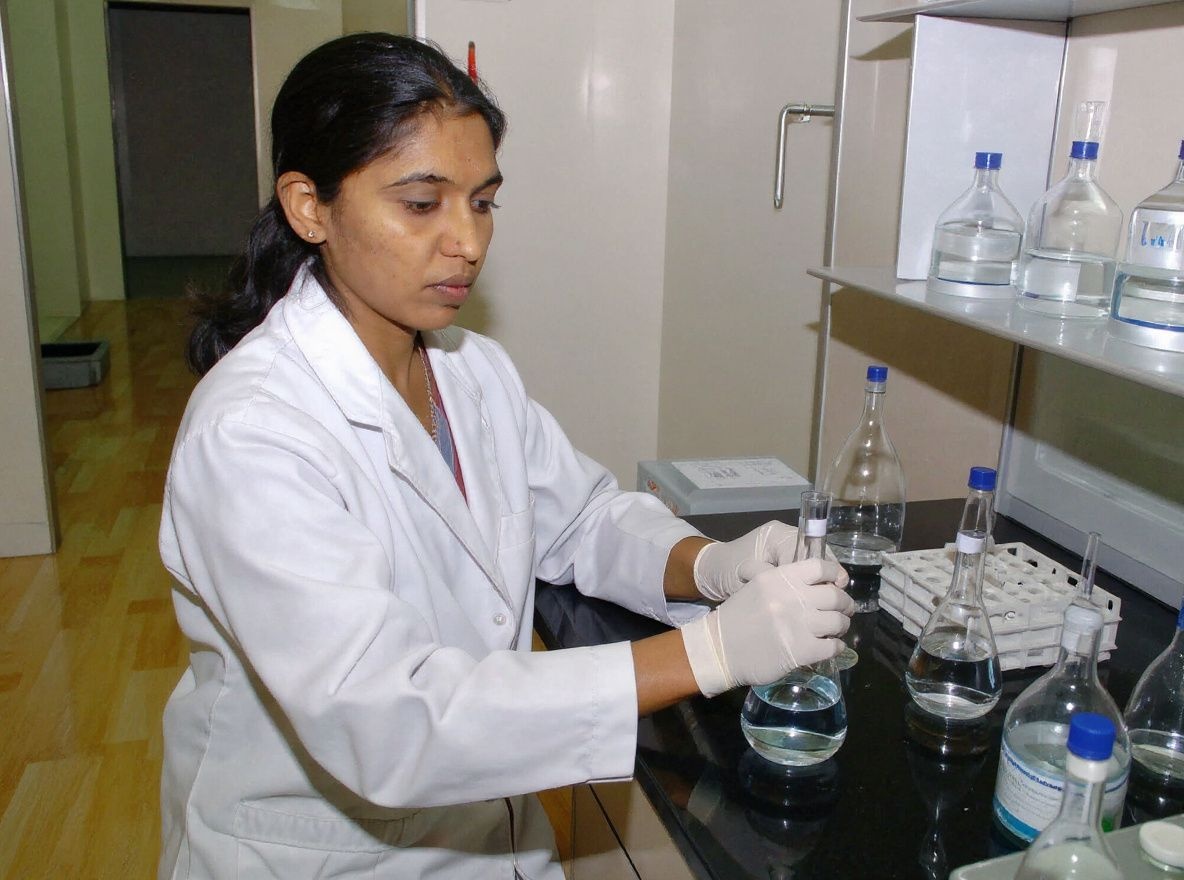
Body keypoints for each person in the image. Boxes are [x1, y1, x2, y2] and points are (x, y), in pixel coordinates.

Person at [157, 32, 853, 880]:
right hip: (326, 856)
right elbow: (391, 721)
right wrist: (711, 654)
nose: (467, 243)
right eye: (422, 204)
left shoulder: (468, 369)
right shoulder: (255, 435)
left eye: (482, 202)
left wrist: (710, 566)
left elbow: (582, 518)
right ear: (309, 207)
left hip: (490, 830)